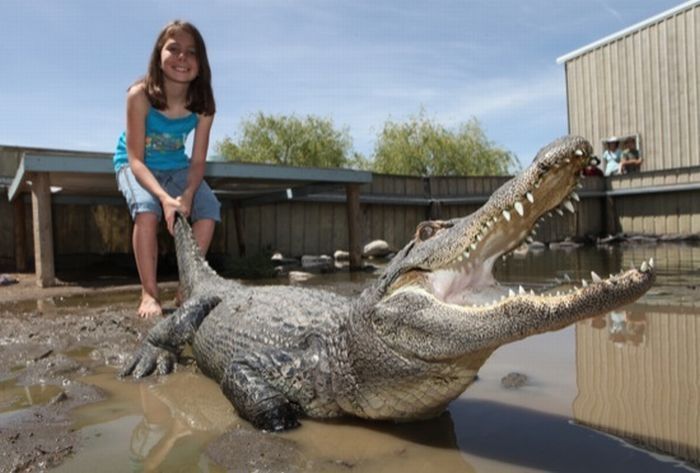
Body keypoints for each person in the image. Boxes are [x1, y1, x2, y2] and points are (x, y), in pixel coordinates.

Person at [113, 20, 221, 317]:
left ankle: (186, 289)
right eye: (174, 49)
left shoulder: (204, 106)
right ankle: (149, 292)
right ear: (159, 54)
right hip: (136, 164)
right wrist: (164, 198)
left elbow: (198, 162)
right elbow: (136, 159)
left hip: (177, 165)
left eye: (191, 52)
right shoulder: (139, 95)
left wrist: (186, 195)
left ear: (201, 63)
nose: (182, 58)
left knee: (208, 209)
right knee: (147, 211)